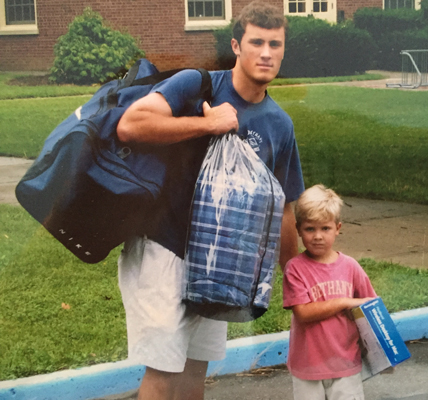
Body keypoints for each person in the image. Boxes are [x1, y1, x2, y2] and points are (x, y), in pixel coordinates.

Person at [115, 2, 304, 399]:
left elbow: (283, 208)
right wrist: (209, 123)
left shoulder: (278, 124)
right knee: (165, 371)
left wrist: (297, 274)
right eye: (256, 42)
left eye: (275, 44)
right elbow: (131, 125)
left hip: (221, 262)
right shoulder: (197, 85)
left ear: (284, 50)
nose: (266, 52)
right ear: (236, 45)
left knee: (192, 374)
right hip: (164, 248)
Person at [282, 184, 377, 400]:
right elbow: (303, 313)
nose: (317, 236)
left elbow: (371, 306)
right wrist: (344, 302)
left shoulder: (351, 267)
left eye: (325, 228)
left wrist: (380, 351)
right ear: (298, 229)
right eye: (310, 229)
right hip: (308, 366)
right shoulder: (295, 268)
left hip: (346, 363)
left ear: (338, 228)